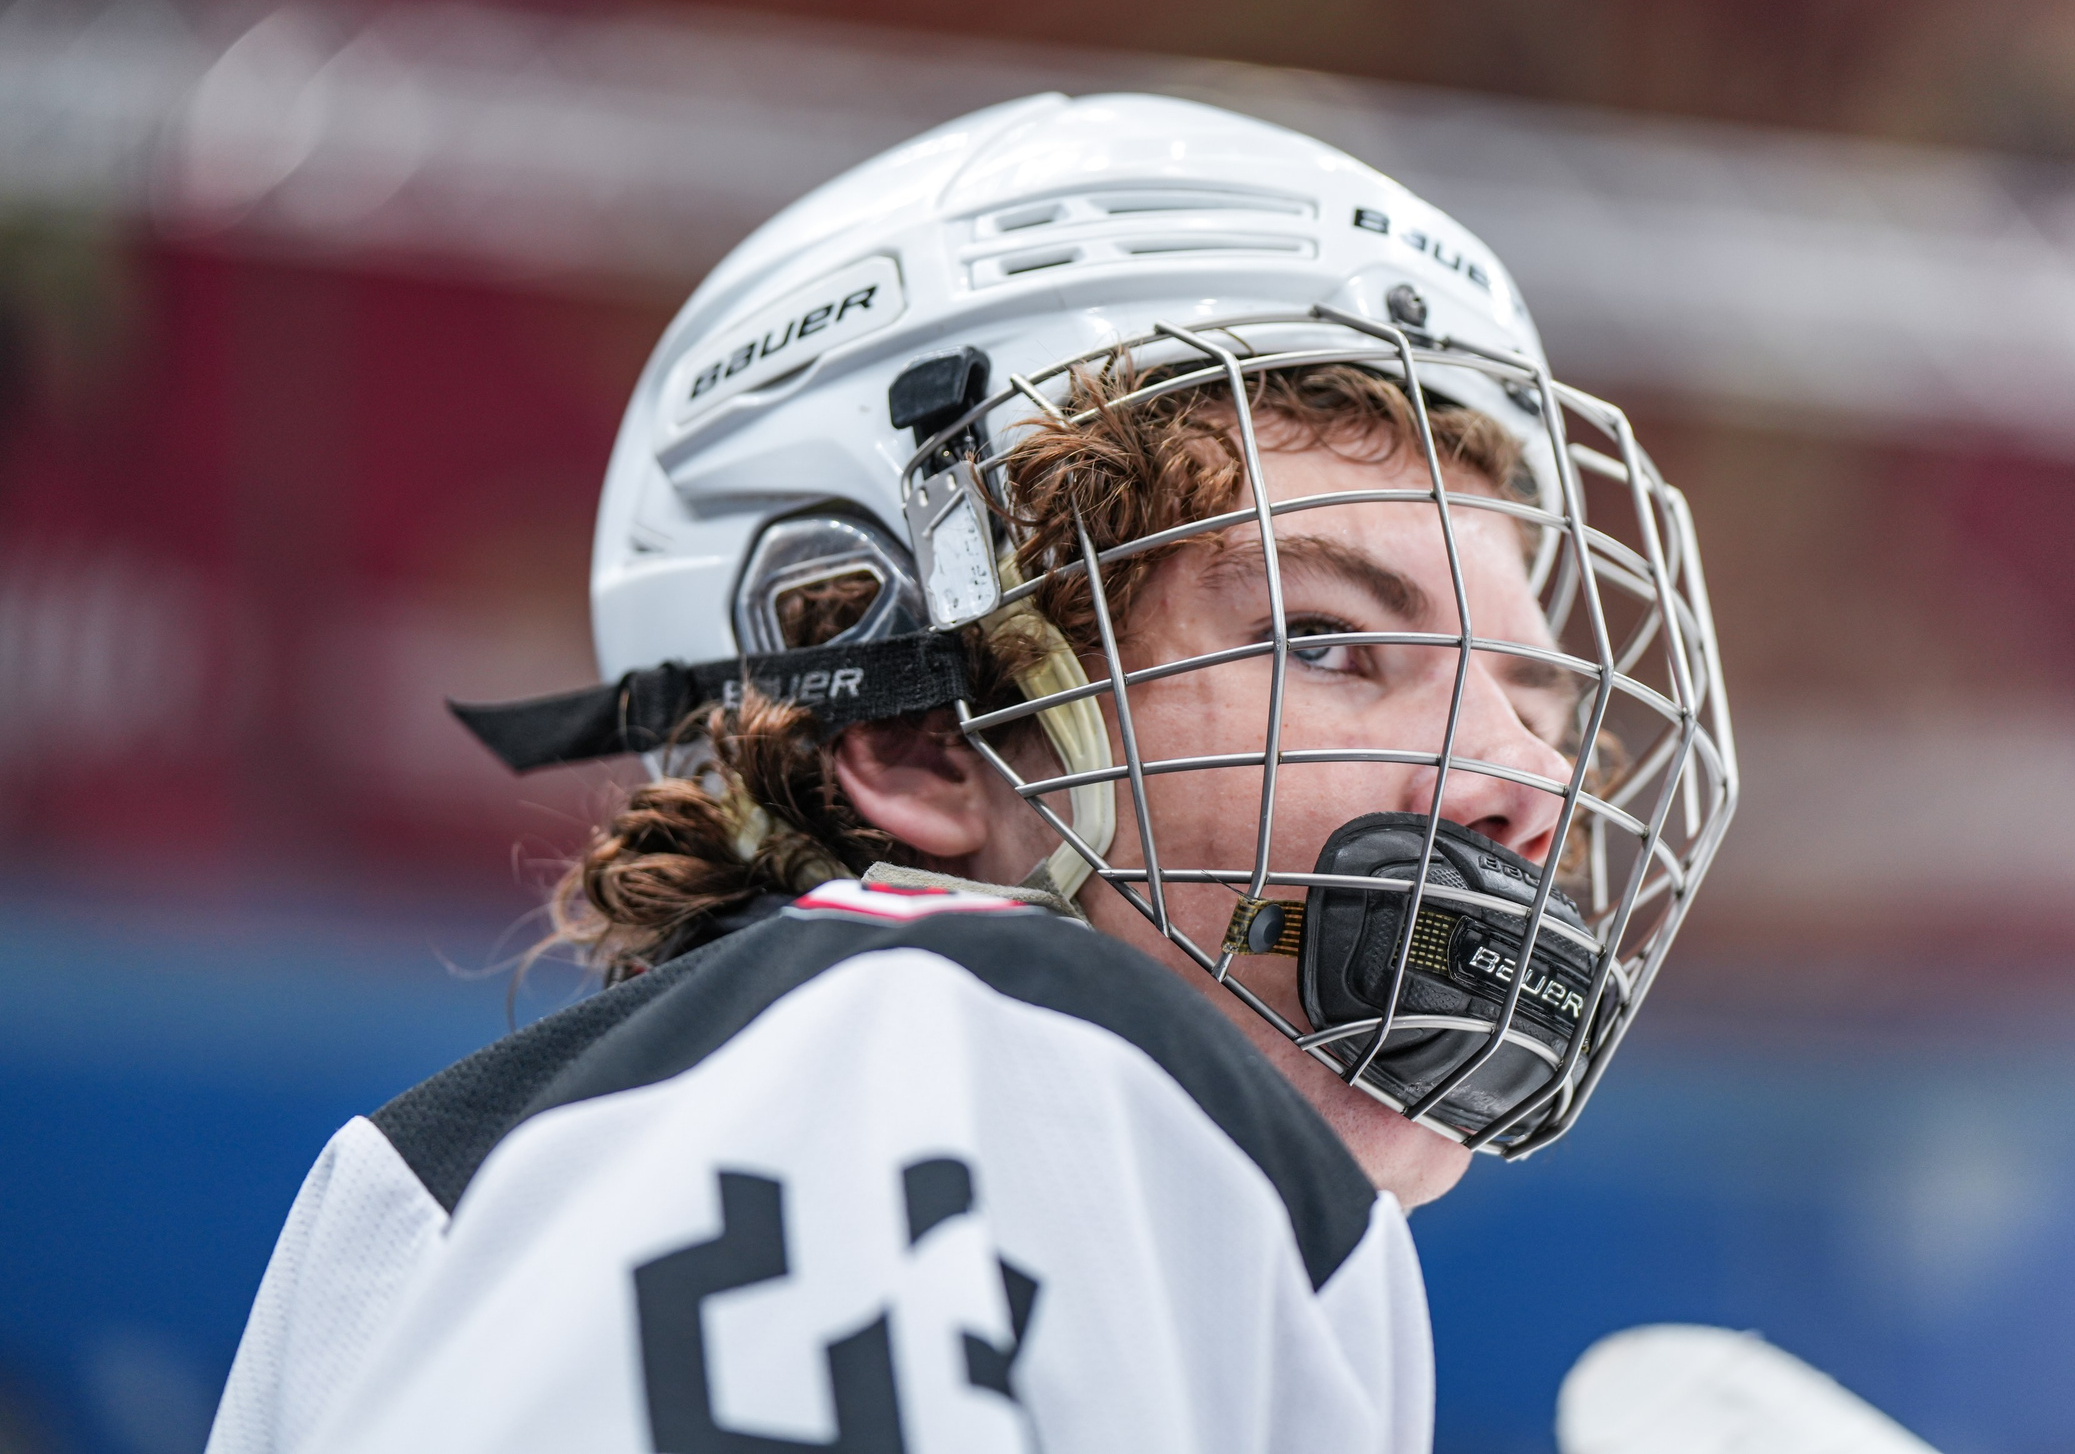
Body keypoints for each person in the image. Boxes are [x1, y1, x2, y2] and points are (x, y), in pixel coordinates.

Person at [207, 93, 1735, 1454]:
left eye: (1533, 698)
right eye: (1332, 640)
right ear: (927, 745)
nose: (1529, 781)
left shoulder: (1209, 1213)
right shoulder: (932, 1040)